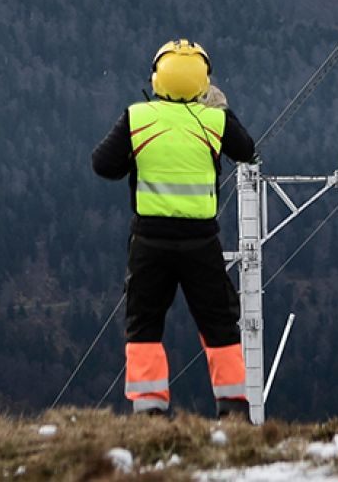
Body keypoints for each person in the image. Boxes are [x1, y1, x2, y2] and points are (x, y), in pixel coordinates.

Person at [92, 38, 258, 417]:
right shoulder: (214, 121)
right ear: (205, 82)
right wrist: (223, 111)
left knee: (144, 323)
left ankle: (148, 409)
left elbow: (103, 165)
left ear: (156, 78)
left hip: (150, 242)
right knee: (219, 324)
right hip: (201, 243)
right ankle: (233, 407)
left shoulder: (137, 118)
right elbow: (247, 150)